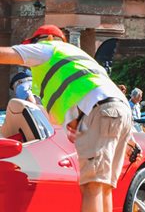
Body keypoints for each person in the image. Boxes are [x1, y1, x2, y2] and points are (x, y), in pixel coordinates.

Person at [0, 25, 135, 212]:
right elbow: (106, 100)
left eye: (32, 43)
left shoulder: (48, 48)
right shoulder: (79, 58)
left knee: (92, 187)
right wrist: (130, 141)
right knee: (103, 188)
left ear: (47, 38)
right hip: (119, 113)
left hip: (97, 112)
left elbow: (4, 54)